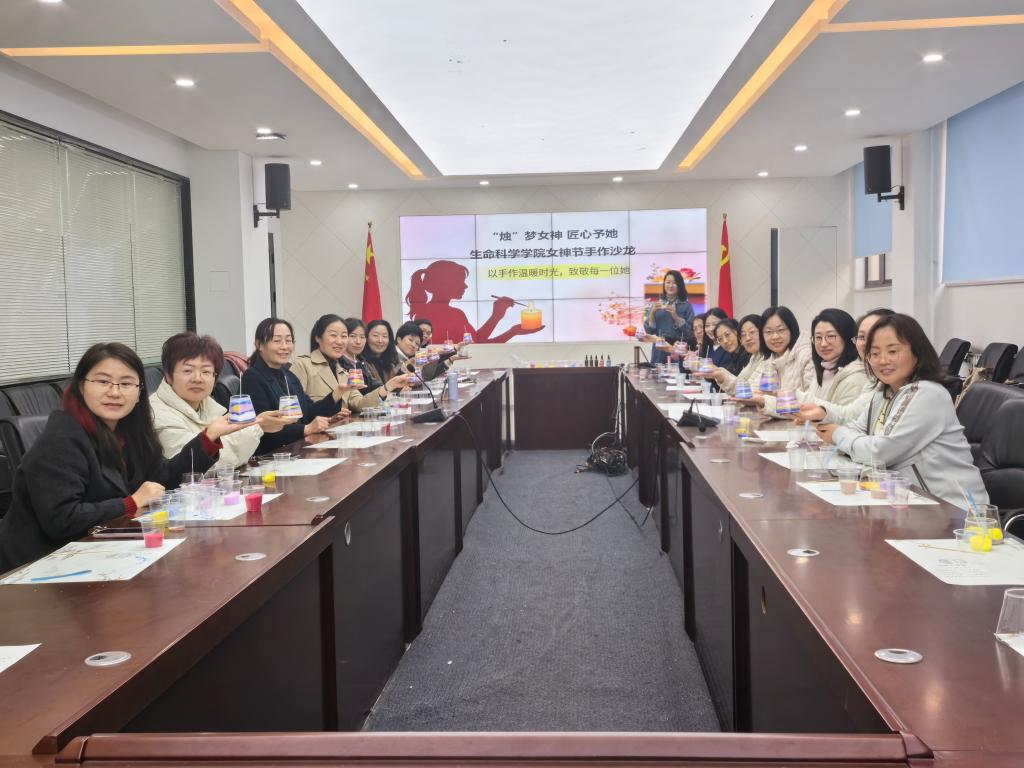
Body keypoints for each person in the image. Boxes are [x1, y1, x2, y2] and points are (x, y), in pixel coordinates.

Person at [0, 342, 250, 572]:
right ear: (81, 386)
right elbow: (62, 519)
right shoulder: (61, 439)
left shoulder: (128, 431)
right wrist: (130, 503)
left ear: (140, 391)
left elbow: (164, 477)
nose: (115, 392)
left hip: (107, 553)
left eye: (127, 383)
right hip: (45, 567)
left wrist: (208, 436)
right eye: (103, 381)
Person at [815, 314, 987, 509]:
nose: (883, 360)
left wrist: (837, 434)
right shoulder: (884, 391)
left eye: (893, 351)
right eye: (874, 353)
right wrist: (845, 437)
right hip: (910, 503)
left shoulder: (927, 394)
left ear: (917, 353)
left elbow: (880, 452)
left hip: (955, 512)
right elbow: (857, 429)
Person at [151, 332, 294, 470]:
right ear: (168, 375)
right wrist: (257, 427)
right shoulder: (156, 414)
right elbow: (209, 464)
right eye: (188, 371)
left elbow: (234, 451)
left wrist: (257, 424)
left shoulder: (209, 406)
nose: (197, 378)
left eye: (206, 371)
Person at [241, 318, 351, 453]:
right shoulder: (252, 377)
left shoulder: (288, 375)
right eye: (277, 341)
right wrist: (306, 429)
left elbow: (309, 412)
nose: (284, 346)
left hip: (296, 450)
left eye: (288, 341)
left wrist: (338, 392)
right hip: (271, 455)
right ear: (259, 344)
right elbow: (263, 428)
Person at [754, 308, 869, 417]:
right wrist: (764, 401)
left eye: (830, 336)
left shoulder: (855, 377)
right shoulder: (825, 370)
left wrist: (771, 398)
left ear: (848, 337)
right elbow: (805, 406)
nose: (823, 344)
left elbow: (841, 420)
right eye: (818, 337)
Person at [404, 260, 543, 343]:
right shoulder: (449, 314)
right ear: (445, 283)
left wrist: (502, 321)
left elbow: (477, 342)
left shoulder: (445, 313)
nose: (465, 286)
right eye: (460, 281)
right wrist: (505, 325)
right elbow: (478, 344)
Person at [798, 308, 895, 426]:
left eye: (831, 336)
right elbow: (850, 417)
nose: (823, 344)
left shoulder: (858, 376)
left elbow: (849, 421)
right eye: (861, 337)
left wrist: (792, 397)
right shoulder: (876, 382)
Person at [291, 315, 409, 409]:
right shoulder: (303, 365)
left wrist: (389, 386)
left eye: (344, 336)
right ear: (318, 337)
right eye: (333, 335)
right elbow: (296, 411)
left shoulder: (342, 371)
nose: (339, 341)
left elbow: (359, 403)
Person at [642, 270, 695, 364]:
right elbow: (649, 331)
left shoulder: (687, 306)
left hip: (677, 351)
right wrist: (652, 314)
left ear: (679, 285)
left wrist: (676, 317)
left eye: (674, 283)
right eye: (668, 282)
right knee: (657, 372)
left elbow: (691, 333)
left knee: (677, 372)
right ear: (664, 284)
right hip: (659, 351)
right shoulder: (656, 304)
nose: (670, 285)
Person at [340, 317, 381, 393]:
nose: (358, 342)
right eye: (352, 336)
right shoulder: (338, 362)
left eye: (362, 337)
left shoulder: (361, 360)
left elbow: (372, 385)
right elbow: (357, 391)